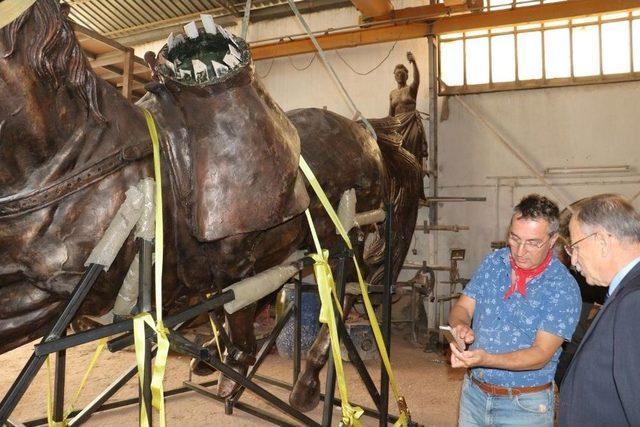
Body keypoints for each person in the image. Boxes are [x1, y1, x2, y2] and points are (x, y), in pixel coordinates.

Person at [448, 194, 581, 427]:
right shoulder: (493, 263)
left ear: (552, 240)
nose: (520, 251)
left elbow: (540, 354)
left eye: (532, 242)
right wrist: (460, 325)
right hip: (474, 395)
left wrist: (485, 359)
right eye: (514, 238)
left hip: (524, 406)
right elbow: (463, 307)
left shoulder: (562, 287)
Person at [558, 194, 640, 427]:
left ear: (602, 241)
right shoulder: (628, 291)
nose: (573, 261)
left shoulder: (634, 301)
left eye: (574, 247)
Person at [388, 52, 427, 167]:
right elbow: (390, 115)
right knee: (399, 155)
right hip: (398, 126)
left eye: (402, 73)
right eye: (397, 73)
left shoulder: (411, 89)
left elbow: (417, 80)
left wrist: (414, 62)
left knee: (412, 154)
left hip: (411, 124)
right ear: (394, 76)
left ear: (407, 76)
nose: (399, 75)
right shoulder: (392, 94)